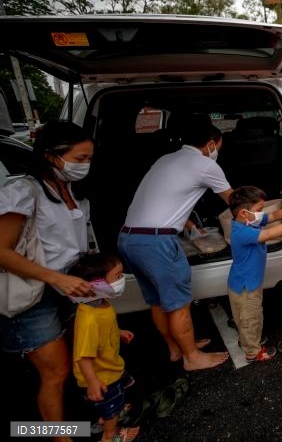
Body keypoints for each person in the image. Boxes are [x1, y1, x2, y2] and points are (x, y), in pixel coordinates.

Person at [0, 121, 95, 442]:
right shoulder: (23, 192)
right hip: (33, 296)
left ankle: (81, 425)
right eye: (80, 158)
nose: (86, 165)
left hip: (67, 290)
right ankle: (59, 436)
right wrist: (56, 278)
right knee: (55, 373)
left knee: (77, 362)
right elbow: (1, 251)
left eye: (89, 158)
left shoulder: (72, 191)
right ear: (53, 156)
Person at [118, 120, 231, 371]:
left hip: (129, 238)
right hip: (156, 244)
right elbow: (234, 200)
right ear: (211, 144)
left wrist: (188, 223)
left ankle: (176, 348)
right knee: (180, 304)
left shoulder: (166, 159)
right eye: (218, 147)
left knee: (158, 300)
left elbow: (165, 197)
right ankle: (192, 357)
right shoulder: (205, 164)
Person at [227, 186, 282, 363]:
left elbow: (274, 216)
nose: (261, 213)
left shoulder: (249, 221)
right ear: (243, 213)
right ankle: (253, 352)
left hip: (246, 282)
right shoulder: (241, 232)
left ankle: (248, 340)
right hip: (246, 287)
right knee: (251, 318)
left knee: (246, 317)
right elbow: (269, 234)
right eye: (259, 209)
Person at [68, 253, 139, 442]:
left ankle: (107, 415)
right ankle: (110, 436)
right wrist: (92, 383)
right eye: (117, 276)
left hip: (110, 367)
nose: (122, 280)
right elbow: (83, 356)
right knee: (112, 408)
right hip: (102, 377)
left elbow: (105, 327)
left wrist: (118, 332)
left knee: (115, 399)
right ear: (96, 284)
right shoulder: (89, 320)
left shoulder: (101, 304)